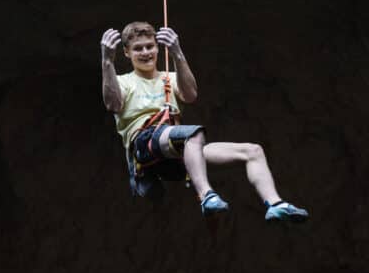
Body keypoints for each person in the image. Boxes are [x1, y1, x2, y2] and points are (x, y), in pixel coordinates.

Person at [100, 21, 308, 221]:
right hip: (144, 144)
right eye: (138, 49)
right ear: (127, 52)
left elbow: (190, 96)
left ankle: (275, 204)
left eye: (150, 46)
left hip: (175, 149)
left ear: (157, 47)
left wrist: (177, 53)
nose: (146, 52)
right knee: (192, 134)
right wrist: (107, 61)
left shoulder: (170, 78)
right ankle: (206, 195)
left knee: (252, 151)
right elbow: (113, 104)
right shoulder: (122, 81)